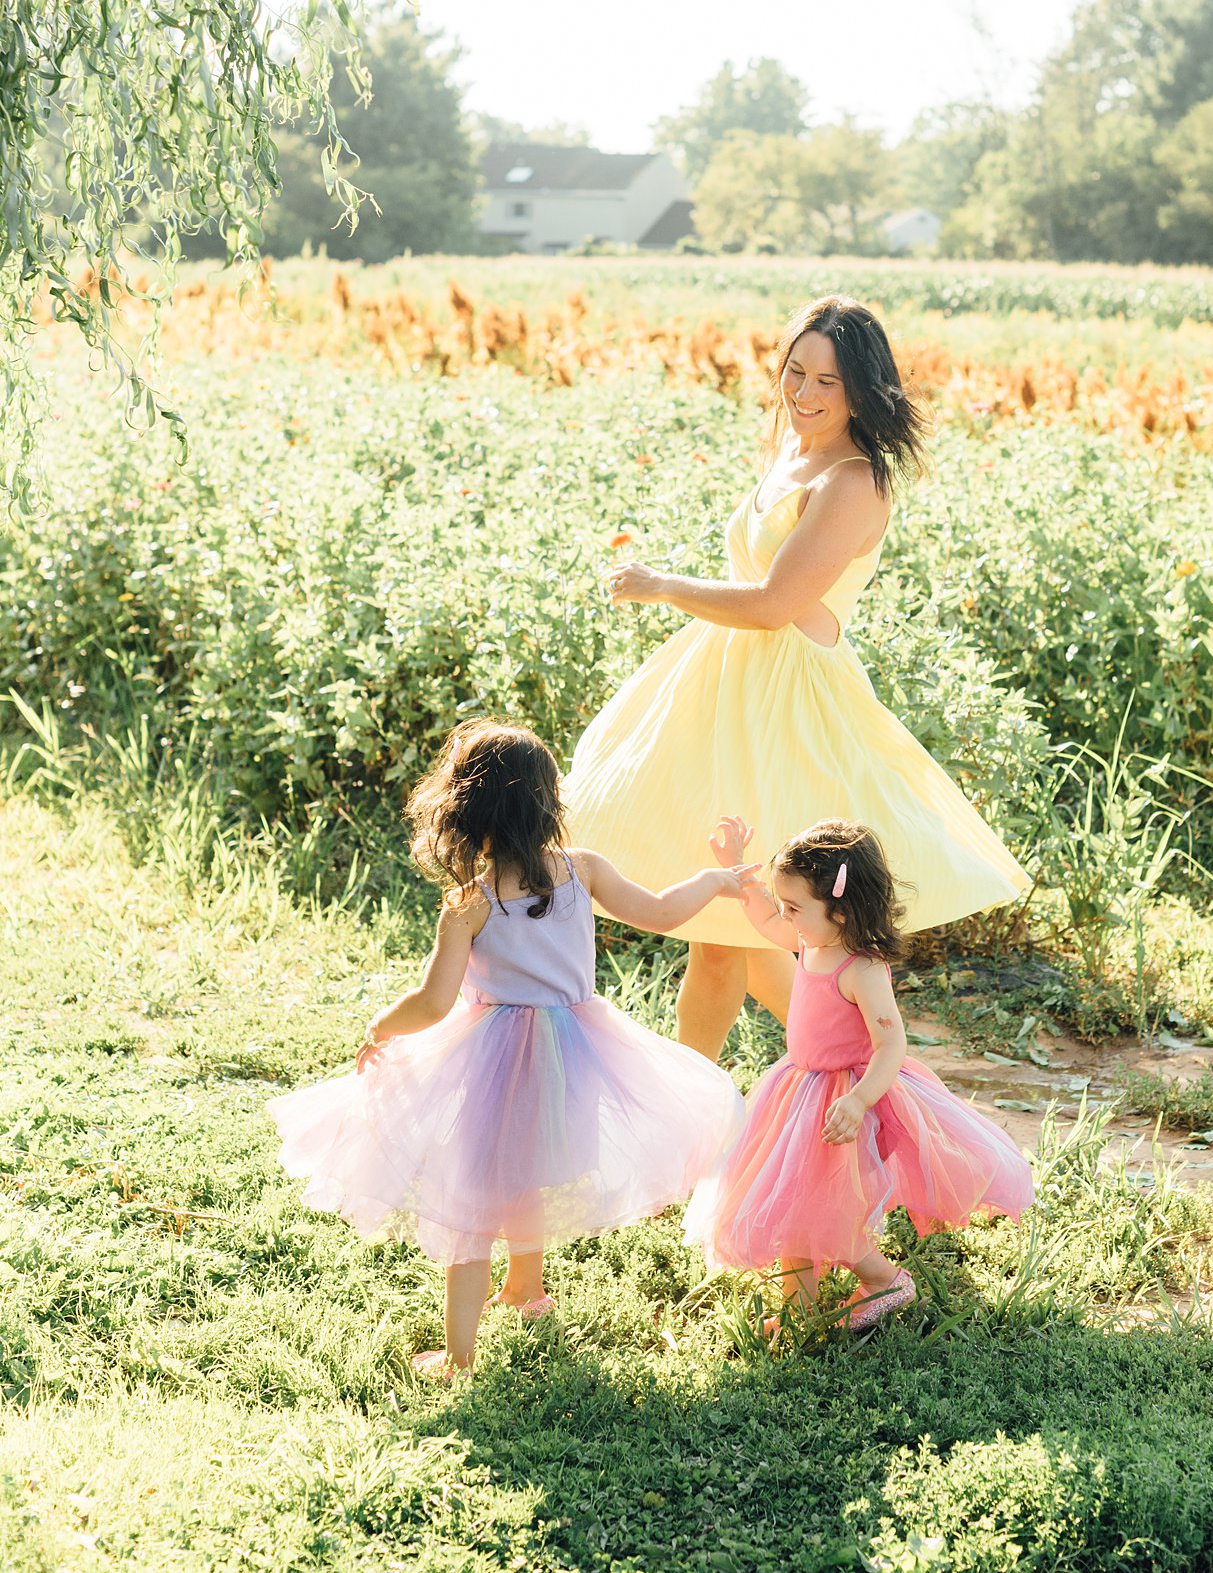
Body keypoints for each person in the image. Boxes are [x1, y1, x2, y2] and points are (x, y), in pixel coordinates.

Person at [566, 294, 1031, 1060]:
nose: (804, 394)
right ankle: (831, 1080)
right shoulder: (792, 451)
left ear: (862, 390)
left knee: (742, 925)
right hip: (725, 691)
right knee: (735, 932)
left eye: (828, 382)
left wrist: (662, 584)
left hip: (790, 708)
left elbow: (776, 603)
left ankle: (835, 1084)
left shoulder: (854, 480)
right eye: (795, 372)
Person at [267, 721, 752, 1376]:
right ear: (549, 802)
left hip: (492, 1055)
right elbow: (664, 912)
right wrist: (719, 877)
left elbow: (433, 1003)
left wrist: (382, 1024)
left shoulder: (470, 903)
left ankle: (460, 1355)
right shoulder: (583, 871)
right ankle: (526, 1287)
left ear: (465, 812)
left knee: (471, 1201)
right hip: (574, 1050)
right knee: (527, 1170)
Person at [684, 817, 1034, 1333]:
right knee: (796, 1205)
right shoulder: (811, 940)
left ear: (842, 910)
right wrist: (737, 867)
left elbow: (891, 1044)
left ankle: (887, 1280)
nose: (787, 916)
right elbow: (763, 921)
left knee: (824, 1212)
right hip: (799, 1089)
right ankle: (798, 1310)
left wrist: (861, 1100)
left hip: (843, 1098)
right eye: (787, 905)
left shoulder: (861, 969)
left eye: (796, 907)